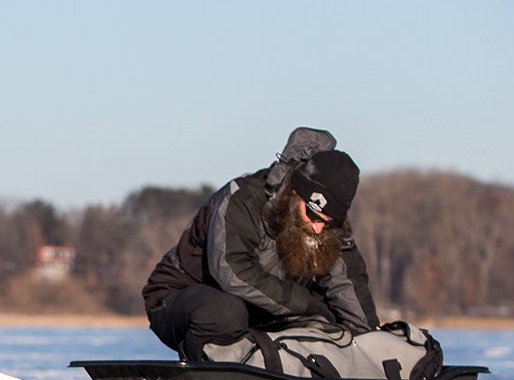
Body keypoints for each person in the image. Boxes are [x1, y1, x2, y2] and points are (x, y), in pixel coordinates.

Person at [142, 128, 379, 360]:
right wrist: (305, 304)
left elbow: (347, 284)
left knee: (327, 326)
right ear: (296, 193)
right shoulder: (242, 199)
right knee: (225, 314)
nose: (318, 228)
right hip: (180, 298)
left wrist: (370, 345)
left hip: (261, 309)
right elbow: (231, 272)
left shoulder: (325, 225)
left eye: (327, 222)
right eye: (314, 217)